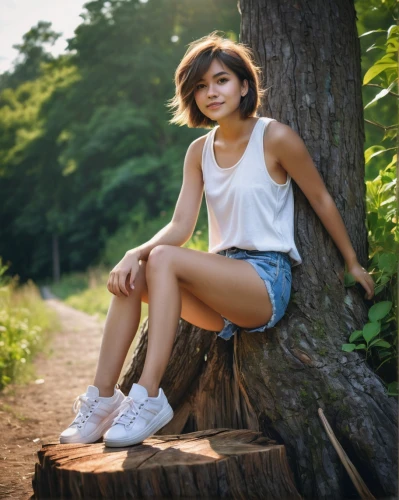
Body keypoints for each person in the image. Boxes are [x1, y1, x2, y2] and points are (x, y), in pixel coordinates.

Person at [59, 32, 375, 447]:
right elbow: (180, 226)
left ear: (245, 86)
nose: (211, 92)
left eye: (221, 80)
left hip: (264, 280)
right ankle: (102, 400)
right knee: (135, 274)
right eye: (201, 86)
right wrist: (132, 253)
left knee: (164, 259)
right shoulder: (198, 151)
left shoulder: (274, 137)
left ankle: (149, 395)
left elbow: (320, 199)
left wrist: (352, 261)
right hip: (219, 288)